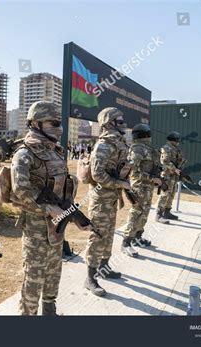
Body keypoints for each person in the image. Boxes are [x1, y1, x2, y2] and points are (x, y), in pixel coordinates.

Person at [10, 101, 80, 315]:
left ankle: (49, 309)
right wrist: (49, 209)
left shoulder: (56, 152)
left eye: (60, 123)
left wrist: (73, 214)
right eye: (54, 123)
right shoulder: (25, 154)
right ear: (36, 123)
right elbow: (20, 189)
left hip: (56, 226)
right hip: (36, 227)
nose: (59, 128)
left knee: (53, 271)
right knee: (34, 277)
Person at [84, 107, 130, 297]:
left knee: (109, 234)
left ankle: (104, 268)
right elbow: (97, 174)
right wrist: (119, 183)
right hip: (100, 200)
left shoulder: (118, 143)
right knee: (97, 237)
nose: (124, 124)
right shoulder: (103, 145)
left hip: (111, 198)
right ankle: (90, 278)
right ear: (109, 123)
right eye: (120, 121)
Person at [122, 124, 164, 257]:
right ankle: (126, 242)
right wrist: (152, 178)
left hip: (148, 187)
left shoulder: (148, 149)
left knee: (144, 212)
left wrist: (156, 177)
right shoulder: (137, 149)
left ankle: (138, 237)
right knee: (136, 212)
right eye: (148, 133)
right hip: (139, 186)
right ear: (143, 135)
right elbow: (133, 172)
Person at [155, 131, 184, 223]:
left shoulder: (175, 148)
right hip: (167, 175)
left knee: (171, 194)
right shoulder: (166, 148)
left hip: (173, 176)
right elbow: (165, 161)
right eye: (177, 140)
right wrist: (175, 169)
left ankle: (167, 212)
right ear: (174, 140)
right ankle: (159, 215)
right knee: (164, 194)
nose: (178, 142)